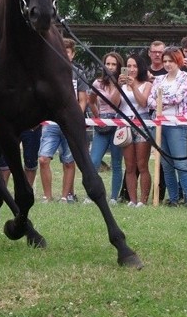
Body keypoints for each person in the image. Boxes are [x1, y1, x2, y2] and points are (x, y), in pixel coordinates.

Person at [36, 38, 88, 203]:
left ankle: (66, 197)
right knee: (43, 159)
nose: (63, 55)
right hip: (51, 124)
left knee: (69, 161)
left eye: (67, 52)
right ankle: (47, 196)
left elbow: (83, 100)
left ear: (73, 54)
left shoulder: (79, 73)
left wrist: (74, 119)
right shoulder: (47, 72)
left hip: (70, 125)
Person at [148, 46, 187, 206]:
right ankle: (174, 198)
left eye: (171, 61)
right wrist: (158, 102)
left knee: (181, 163)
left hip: (178, 124)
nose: (167, 64)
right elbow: (150, 100)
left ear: (178, 61)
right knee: (166, 164)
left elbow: (177, 98)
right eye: (165, 61)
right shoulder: (158, 79)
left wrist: (160, 101)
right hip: (160, 124)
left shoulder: (186, 77)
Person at [88, 52, 124, 204]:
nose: (110, 67)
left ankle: (114, 197)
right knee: (94, 161)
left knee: (116, 163)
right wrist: (97, 117)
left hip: (118, 123)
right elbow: (91, 101)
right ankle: (91, 196)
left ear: (119, 66)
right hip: (102, 124)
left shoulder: (123, 83)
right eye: (107, 64)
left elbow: (115, 104)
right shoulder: (97, 83)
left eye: (113, 64)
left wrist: (119, 86)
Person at [117, 53, 152, 207]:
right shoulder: (122, 85)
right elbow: (114, 103)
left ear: (140, 68)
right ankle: (132, 199)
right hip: (125, 124)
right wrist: (117, 86)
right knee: (129, 166)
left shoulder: (147, 84)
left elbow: (143, 103)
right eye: (129, 66)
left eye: (134, 66)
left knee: (142, 164)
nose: (131, 69)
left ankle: (143, 200)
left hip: (142, 123)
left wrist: (133, 86)